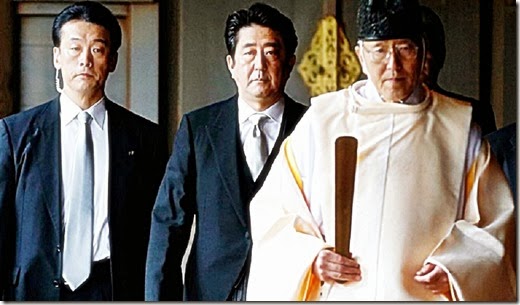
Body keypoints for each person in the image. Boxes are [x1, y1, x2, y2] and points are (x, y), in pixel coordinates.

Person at [245, 0, 515, 301]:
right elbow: (274, 215)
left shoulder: (459, 128)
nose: (393, 66)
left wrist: (455, 268)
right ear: (360, 55)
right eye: (380, 52)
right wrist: (311, 258)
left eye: (405, 50)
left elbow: (495, 226)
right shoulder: (323, 121)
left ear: (422, 51)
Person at [0, 1, 167, 301]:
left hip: (114, 288)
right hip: (34, 290)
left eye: (97, 49)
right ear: (56, 57)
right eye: (74, 48)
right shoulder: (16, 134)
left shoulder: (145, 139)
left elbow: (156, 231)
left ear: (112, 60)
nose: (85, 61)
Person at [145, 2, 307, 301]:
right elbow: (169, 222)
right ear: (231, 64)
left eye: (271, 52)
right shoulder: (199, 128)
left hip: (290, 289)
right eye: (248, 53)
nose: (259, 64)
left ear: (289, 63)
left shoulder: (311, 128)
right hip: (212, 291)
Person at [420, 5, 497, 135]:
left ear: (442, 54)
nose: (428, 57)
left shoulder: (475, 112)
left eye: (432, 48)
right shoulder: (379, 117)